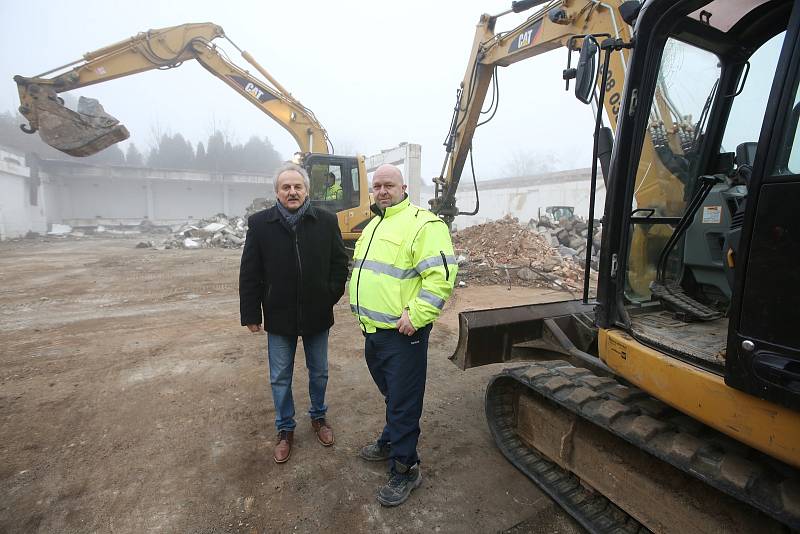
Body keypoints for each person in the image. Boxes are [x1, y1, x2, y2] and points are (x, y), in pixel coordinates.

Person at [349, 164, 457, 506]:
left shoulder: (423, 224)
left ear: (404, 187)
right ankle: (391, 438)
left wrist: (418, 315)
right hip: (374, 332)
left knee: (404, 401)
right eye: (377, 186)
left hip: (402, 334)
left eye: (388, 185)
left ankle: (406, 467)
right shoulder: (374, 225)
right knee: (393, 396)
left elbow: (441, 276)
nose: (382, 191)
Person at [240, 162, 349, 464]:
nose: (292, 191)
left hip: (317, 314)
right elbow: (250, 271)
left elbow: (340, 264)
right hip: (279, 315)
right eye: (286, 187)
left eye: (297, 186)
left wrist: (329, 295)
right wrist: (251, 312)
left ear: (306, 190)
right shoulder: (261, 223)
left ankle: (318, 417)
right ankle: (285, 428)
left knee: (320, 371)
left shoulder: (326, 221)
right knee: (280, 377)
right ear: (277, 192)